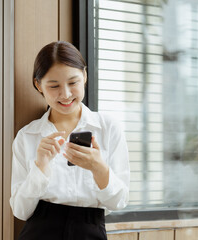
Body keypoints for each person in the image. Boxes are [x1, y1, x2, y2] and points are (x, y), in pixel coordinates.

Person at [10, 41, 130, 240]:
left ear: (84, 76)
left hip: (90, 231)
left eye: (73, 83)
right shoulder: (27, 136)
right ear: (38, 85)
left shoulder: (108, 128)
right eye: (54, 86)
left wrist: (99, 168)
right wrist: (40, 167)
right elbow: (21, 211)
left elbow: (119, 202)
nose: (65, 94)